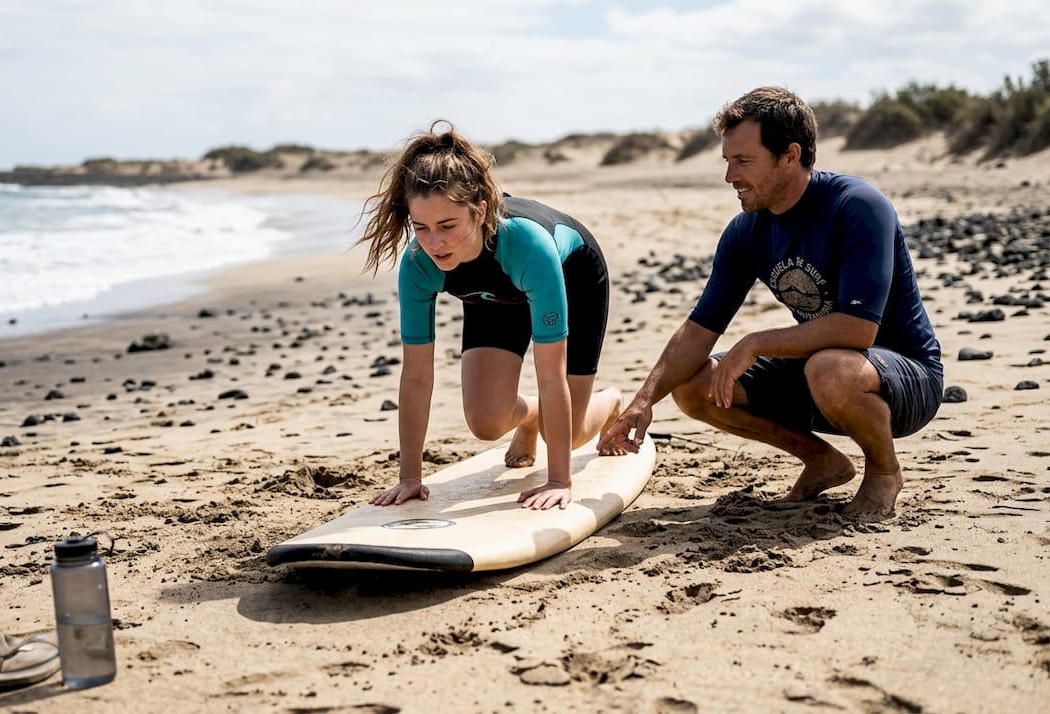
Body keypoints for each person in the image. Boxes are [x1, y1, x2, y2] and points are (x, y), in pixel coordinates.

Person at [598, 86, 943, 518]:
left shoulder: (856, 206)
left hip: (904, 374)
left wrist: (756, 342)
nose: (730, 176)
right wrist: (644, 400)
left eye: (743, 162)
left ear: (790, 155)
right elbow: (700, 326)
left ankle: (884, 472)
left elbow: (859, 329)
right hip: (822, 374)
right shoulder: (747, 231)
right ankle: (822, 460)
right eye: (727, 161)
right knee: (694, 383)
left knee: (830, 367)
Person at [356, 120, 624, 511]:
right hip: (493, 297)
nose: (434, 242)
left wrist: (559, 480)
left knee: (565, 433)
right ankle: (529, 417)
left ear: (480, 211)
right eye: (422, 227)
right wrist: (410, 478)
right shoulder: (419, 263)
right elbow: (416, 376)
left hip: (572, 278)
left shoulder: (528, 246)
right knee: (486, 422)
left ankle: (610, 400)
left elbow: (550, 375)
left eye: (448, 226)